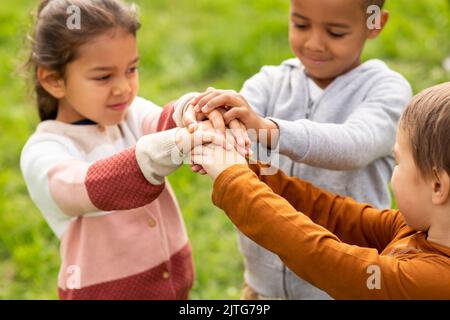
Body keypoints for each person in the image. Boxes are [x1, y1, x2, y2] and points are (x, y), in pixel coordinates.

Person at [177, 0, 413, 299]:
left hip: (341, 288)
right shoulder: (269, 82)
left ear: (375, 23)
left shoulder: (387, 90)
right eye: (301, 25)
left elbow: (355, 145)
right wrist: (204, 114)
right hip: (262, 287)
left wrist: (270, 130)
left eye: (336, 32)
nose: (314, 43)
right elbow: (233, 116)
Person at [20, 0, 234, 300]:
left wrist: (196, 110)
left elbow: (164, 120)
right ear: (54, 80)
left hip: (173, 284)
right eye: (104, 76)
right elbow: (88, 186)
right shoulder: (44, 151)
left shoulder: (129, 113)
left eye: (131, 69)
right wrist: (170, 146)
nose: (123, 88)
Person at [191, 82, 450, 299]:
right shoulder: (417, 229)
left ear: (438, 185)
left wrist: (233, 178)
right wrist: (243, 164)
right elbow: (327, 211)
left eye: (398, 162)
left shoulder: (433, 282)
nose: (396, 169)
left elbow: (318, 256)